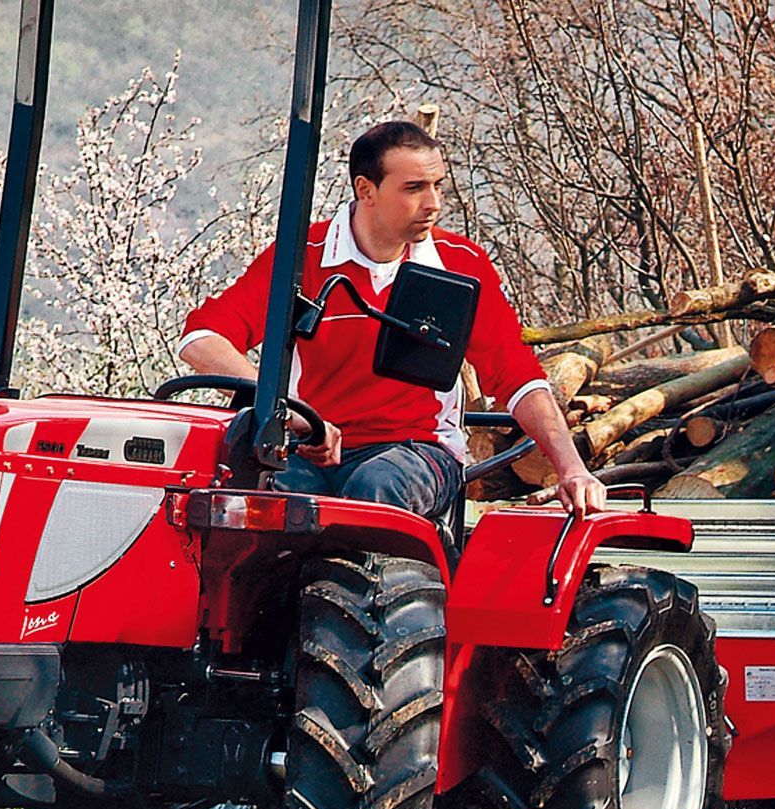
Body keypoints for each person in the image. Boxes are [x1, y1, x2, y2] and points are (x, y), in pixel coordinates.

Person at [177, 120, 605, 517]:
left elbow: (517, 376)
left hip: (418, 451)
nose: (433, 203)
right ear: (366, 190)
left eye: (439, 186)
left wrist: (572, 469)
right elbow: (201, 337)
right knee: (252, 502)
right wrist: (287, 412)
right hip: (308, 452)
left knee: (374, 488)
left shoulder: (461, 265)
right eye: (415, 188)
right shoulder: (301, 258)